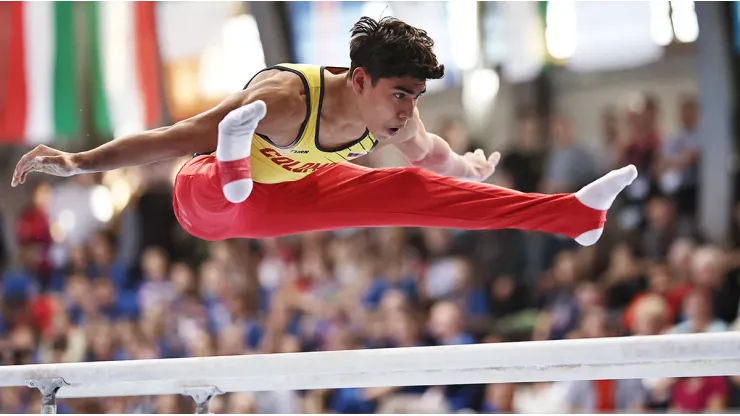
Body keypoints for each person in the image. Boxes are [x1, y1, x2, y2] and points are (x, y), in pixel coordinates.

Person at [11, 16, 637, 246]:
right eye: (399, 94)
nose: (406, 111)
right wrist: (78, 163)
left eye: (415, 98)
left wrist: (467, 169)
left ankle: (572, 217)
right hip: (204, 198)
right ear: (358, 79)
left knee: (410, 188)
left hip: (285, 196)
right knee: (215, 188)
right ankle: (232, 159)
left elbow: (434, 157)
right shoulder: (285, 99)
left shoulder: (399, 115)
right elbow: (174, 137)